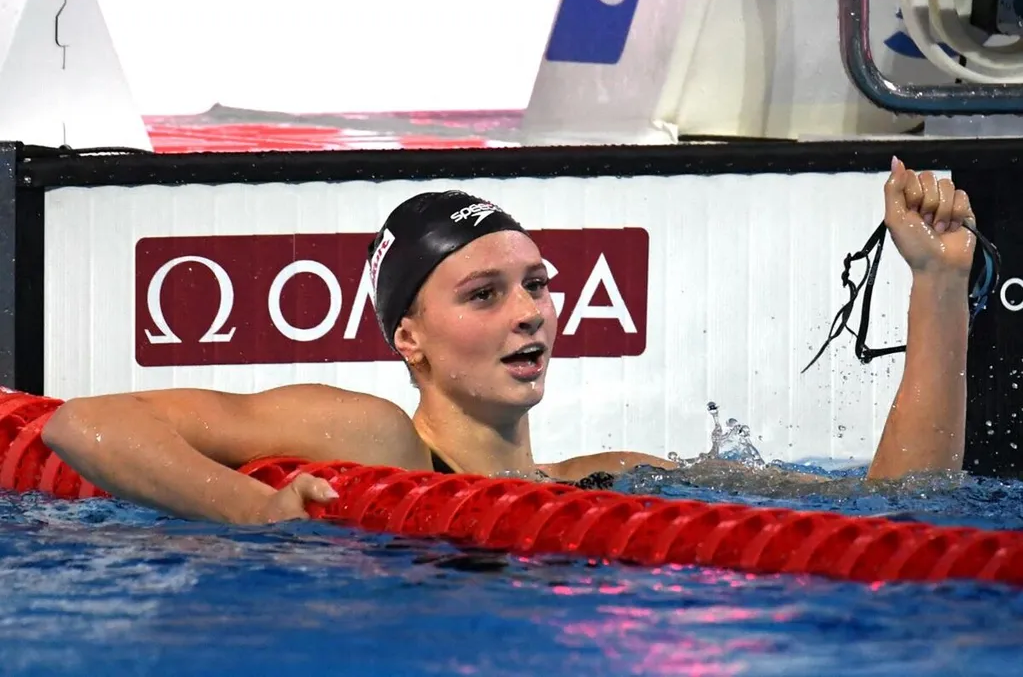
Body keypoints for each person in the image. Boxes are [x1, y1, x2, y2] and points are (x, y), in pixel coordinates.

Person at [39, 157, 978, 524]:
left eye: (536, 284)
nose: (528, 312)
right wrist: (254, 513)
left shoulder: (615, 477)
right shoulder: (378, 441)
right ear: (408, 337)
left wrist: (936, 288)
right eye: (483, 294)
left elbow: (899, 512)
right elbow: (84, 425)